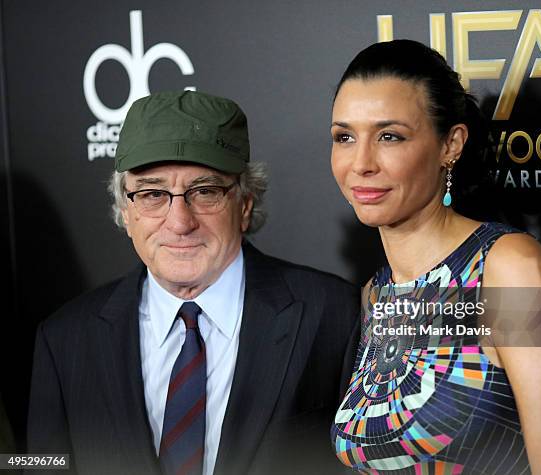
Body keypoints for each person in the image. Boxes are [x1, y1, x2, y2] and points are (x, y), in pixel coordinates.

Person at [27, 90, 359, 475]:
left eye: (205, 192)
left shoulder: (334, 315)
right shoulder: (65, 340)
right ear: (125, 209)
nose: (180, 222)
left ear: (245, 204)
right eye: (152, 194)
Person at [329, 40, 541, 474]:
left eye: (389, 136)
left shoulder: (510, 269)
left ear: (451, 144)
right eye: (344, 137)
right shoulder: (375, 296)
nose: (361, 162)